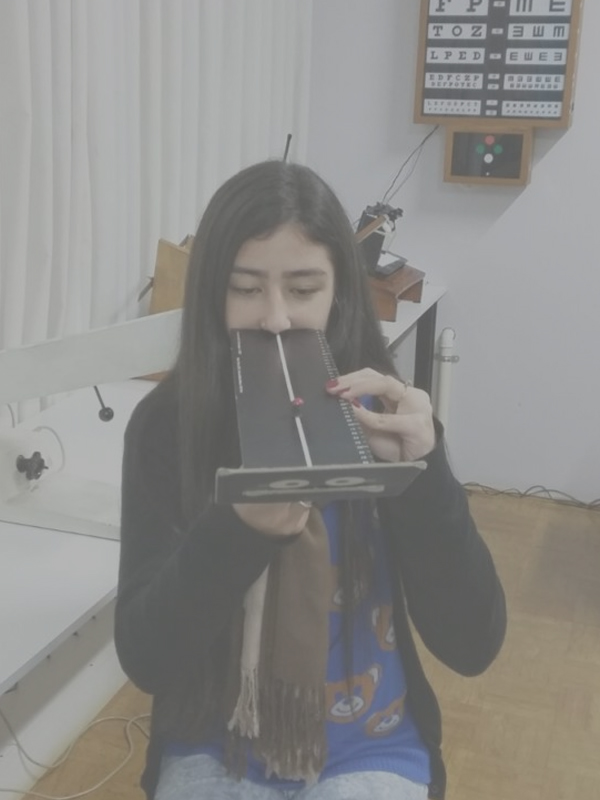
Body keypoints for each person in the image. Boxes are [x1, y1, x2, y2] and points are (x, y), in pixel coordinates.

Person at [115, 160, 506, 800]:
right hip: (212, 744)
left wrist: (422, 476)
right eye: (245, 288)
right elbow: (147, 657)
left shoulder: (384, 418)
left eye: (302, 290)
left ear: (339, 294)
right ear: (212, 295)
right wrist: (237, 529)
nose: (275, 318)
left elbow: (473, 645)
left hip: (373, 746)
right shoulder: (169, 426)